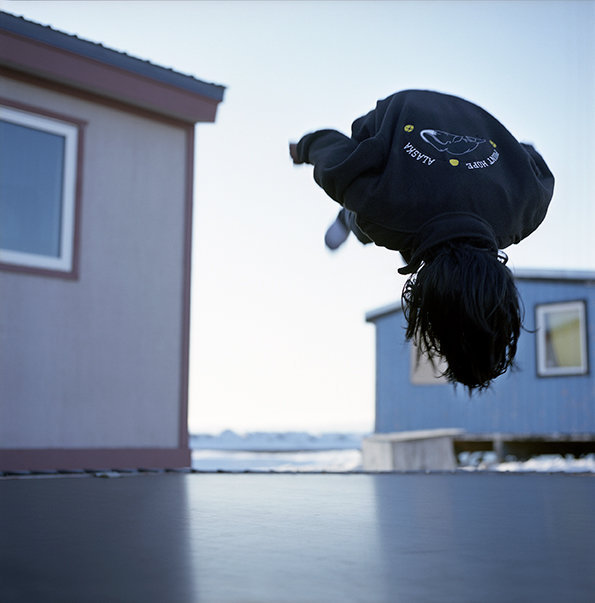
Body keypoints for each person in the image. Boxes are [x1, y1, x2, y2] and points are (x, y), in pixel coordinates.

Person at [289, 89, 554, 392]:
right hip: (403, 118)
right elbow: (331, 150)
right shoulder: (380, 207)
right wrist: (303, 148)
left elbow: (531, 157)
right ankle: (346, 218)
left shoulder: (528, 205)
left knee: (407, 228)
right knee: (374, 220)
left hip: (470, 116)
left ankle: (355, 215)